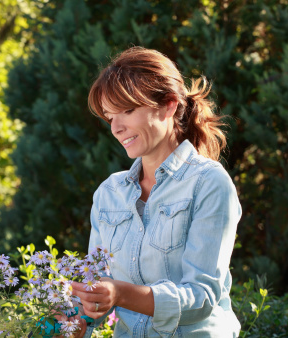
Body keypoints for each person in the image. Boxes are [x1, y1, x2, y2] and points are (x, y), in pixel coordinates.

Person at [69, 47, 242, 337]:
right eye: (110, 117)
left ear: (169, 105)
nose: (117, 127)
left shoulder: (209, 183)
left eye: (128, 111)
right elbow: (97, 291)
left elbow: (202, 297)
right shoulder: (109, 193)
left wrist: (121, 294)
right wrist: (77, 323)